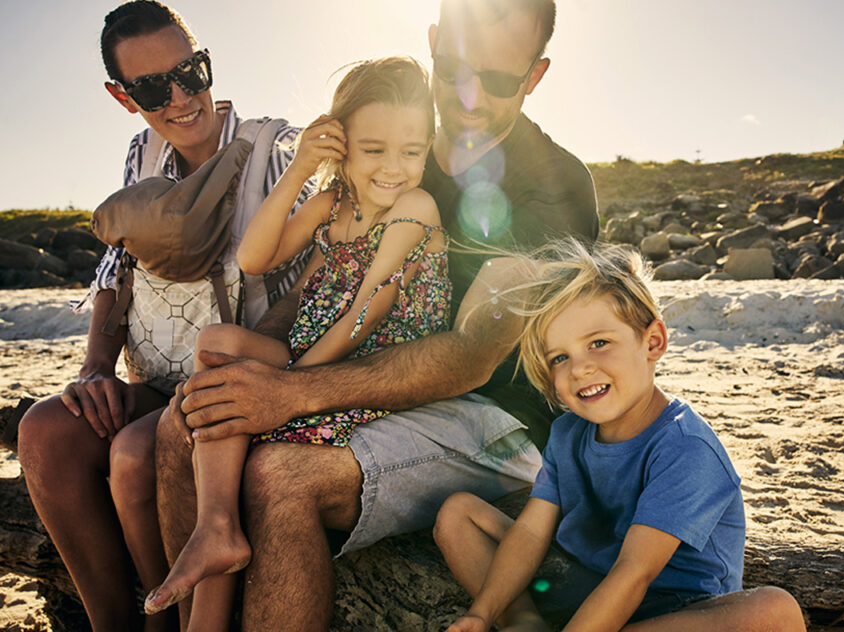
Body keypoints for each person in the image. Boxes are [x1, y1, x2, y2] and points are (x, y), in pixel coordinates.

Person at [153, 0, 599, 628]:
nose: (469, 96)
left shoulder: (552, 184)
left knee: (281, 476)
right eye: (454, 69)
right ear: (433, 43)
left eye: (497, 81)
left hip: (496, 419)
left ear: (536, 75)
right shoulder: (393, 153)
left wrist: (291, 390)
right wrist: (256, 375)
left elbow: (473, 354)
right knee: (189, 419)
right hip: (373, 384)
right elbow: (314, 286)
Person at [16, 2, 311, 630]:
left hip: (240, 386)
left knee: (130, 453)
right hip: (155, 382)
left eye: (191, 71)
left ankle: (161, 615)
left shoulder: (276, 148)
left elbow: (322, 278)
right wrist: (96, 367)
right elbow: (115, 274)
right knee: (44, 433)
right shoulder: (140, 155)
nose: (181, 98)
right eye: (153, 87)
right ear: (123, 97)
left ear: (206, 60)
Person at [140, 56, 450, 620]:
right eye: (374, 149)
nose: (395, 168)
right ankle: (216, 527)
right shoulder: (333, 202)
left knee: (236, 395)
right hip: (309, 351)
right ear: (342, 145)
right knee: (216, 344)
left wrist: (282, 384)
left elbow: (365, 317)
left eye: (413, 151)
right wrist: (301, 165)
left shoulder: (415, 207)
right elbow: (255, 257)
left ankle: (214, 553)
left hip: (364, 368)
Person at [434, 241, 807, 632]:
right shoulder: (567, 433)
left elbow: (634, 573)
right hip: (586, 586)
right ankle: (523, 624)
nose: (579, 369)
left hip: (674, 611)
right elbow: (530, 532)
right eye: (559, 357)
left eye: (599, 343)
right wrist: (483, 611)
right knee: (459, 514)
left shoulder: (685, 447)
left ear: (653, 343)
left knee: (775, 610)